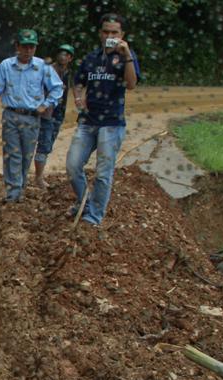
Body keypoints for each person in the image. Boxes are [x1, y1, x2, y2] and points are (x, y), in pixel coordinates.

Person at [65, 14, 140, 225]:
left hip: (112, 123)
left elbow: (132, 84)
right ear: (100, 33)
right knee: (72, 165)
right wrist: (79, 98)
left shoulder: (127, 57)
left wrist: (126, 55)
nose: (110, 36)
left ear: (122, 35)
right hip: (88, 121)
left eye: (114, 32)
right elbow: (78, 82)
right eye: (106, 31)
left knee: (103, 173)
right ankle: (84, 202)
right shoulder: (91, 58)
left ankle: (94, 216)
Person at [0, 29, 64, 203]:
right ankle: (13, 193)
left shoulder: (42, 67)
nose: (28, 50)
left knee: (26, 155)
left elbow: (57, 88)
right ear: (17, 46)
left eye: (31, 47)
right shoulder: (6, 66)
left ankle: (20, 188)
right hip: (11, 115)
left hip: (32, 118)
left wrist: (46, 104)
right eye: (24, 46)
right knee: (12, 154)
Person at [32, 44, 76, 190]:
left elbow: (75, 88)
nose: (63, 57)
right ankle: (38, 178)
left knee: (48, 143)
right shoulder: (48, 70)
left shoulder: (68, 72)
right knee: (43, 144)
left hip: (58, 112)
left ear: (70, 58)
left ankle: (38, 175)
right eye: (61, 54)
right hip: (46, 112)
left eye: (66, 55)